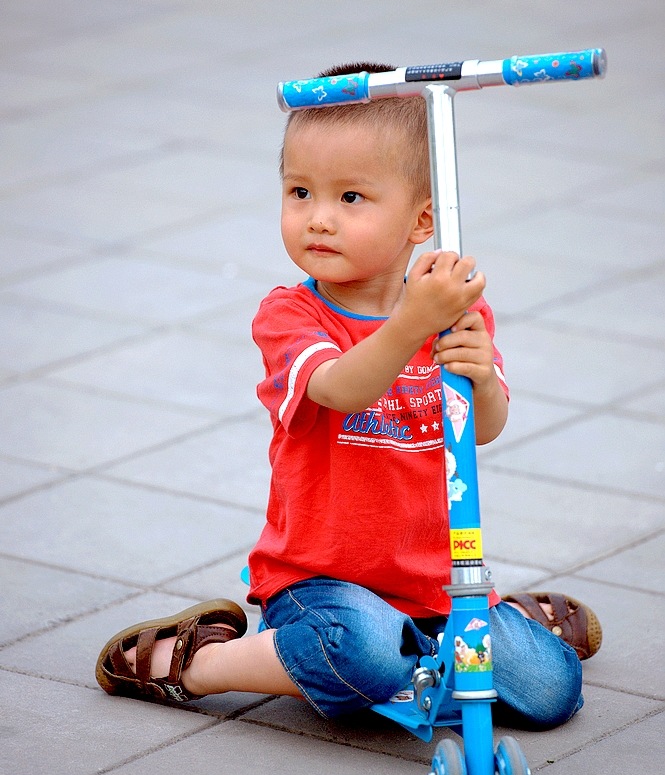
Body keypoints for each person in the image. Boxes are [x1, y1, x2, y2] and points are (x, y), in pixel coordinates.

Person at [96, 62, 601, 728]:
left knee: (549, 692)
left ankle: (486, 632)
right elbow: (338, 387)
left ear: (423, 219)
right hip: (320, 584)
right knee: (362, 652)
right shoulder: (290, 316)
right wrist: (411, 324)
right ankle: (204, 661)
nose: (318, 219)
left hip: (435, 583)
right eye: (299, 192)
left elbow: (481, 428)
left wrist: (478, 375)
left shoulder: (447, 310)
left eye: (351, 198)